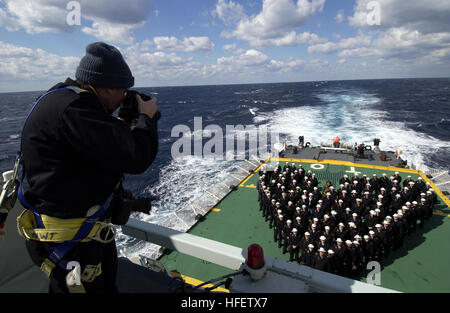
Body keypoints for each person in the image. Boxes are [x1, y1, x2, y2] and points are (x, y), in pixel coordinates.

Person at [19, 42, 159, 293]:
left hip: (80, 236)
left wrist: (122, 122)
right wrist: (146, 118)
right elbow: (137, 157)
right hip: (73, 245)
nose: (125, 96)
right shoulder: (75, 111)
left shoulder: (66, 99)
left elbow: (93, 146)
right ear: (105, 88)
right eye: (123, 90)